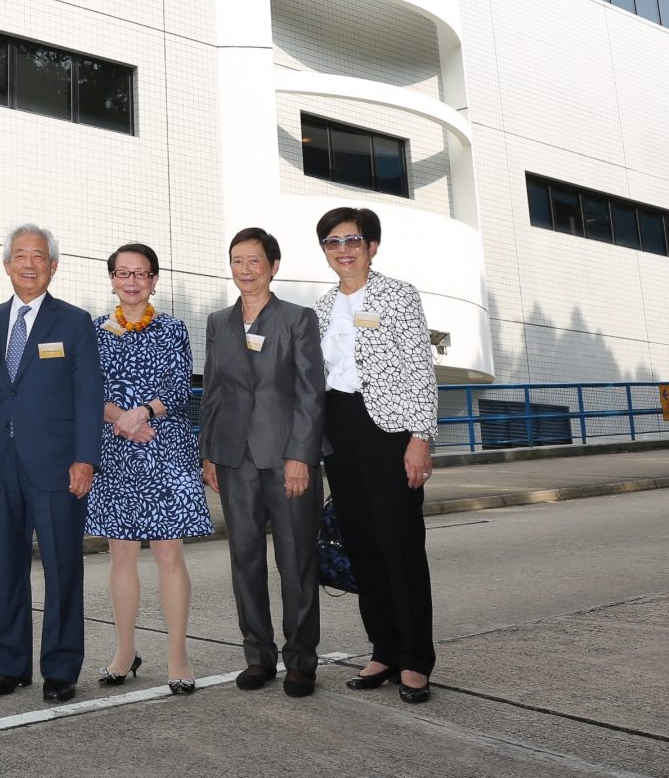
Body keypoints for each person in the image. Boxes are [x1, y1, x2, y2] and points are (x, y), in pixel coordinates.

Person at [0, 224, 104, 703]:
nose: (29, 264)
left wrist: (85, 458)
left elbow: (89, 396)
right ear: (7, 264)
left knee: (62, 568)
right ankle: (10, 666)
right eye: (21, 255)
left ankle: (61, 669)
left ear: (53, 266)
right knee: (7, 568)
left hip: (57, 467)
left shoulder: (74, 322)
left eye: (39, 256)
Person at [314, 206, 439, 704]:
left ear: (371, 246)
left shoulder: (399, 295)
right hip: (339, 428)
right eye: (332, 242)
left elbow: (420, 368)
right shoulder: (322, 307)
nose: (342, 250)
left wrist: (421, 436)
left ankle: (415, 659)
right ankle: (384, 649)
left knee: (400, 545)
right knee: (362, 544)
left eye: (352, 240)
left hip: (390, 430)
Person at [199, 227, 325, 698]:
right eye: (237, 261)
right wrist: (209, 452)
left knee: (296, 560)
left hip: (287, 456)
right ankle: (258, 655)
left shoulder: (297, 318)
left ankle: (301, 659)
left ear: (273, 266)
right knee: (245, 558)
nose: (245, 270)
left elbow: (311, 392)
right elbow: (213, 390)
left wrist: (301, 456)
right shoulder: (218, 322)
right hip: (235, 458)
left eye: (254, 261)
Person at [83, 242, 212, 695]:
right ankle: (124, 652)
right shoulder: (94, 331)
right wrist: (121, 419)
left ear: (154, 280)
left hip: (164, 446)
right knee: (121, 554)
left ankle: (178, 656)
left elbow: (178, 387)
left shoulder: (173, 328)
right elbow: (86, 389)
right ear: (112, 280)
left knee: (168, 554)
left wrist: (143, 414)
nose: (132, 281)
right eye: (123, 273)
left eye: (141, 273)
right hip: (115, 449)